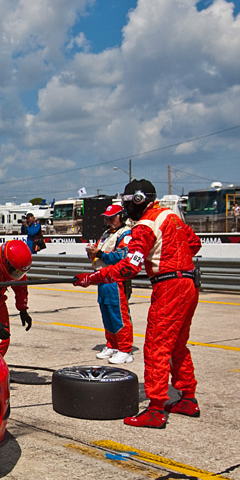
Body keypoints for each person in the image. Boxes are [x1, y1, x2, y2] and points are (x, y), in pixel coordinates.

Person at [74, 179, 202, 429]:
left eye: (127, 202)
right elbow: (195, 244)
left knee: (157, 347)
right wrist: (173, 255)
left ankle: (155, 410)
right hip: (189, 284)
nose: (126, 207)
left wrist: (92, 278)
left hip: (169, 287)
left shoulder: (145, 225)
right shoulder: (171, 217)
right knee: (178, 346)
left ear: (139, 200)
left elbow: (128, 267)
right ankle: (187, 398)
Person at [85, 205, 134, 364]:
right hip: (102, 278)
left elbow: (121, 256)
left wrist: (99, 254)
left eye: (112, 217)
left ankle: (125, 349)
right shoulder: (106, 234)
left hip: (116, 279)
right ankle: (112, 344)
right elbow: (101, 253)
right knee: (106, 313)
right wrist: (92, 252)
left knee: (118, 314)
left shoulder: (125, 234)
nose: (108, 220)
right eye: (107, 217)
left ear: (122, 217)